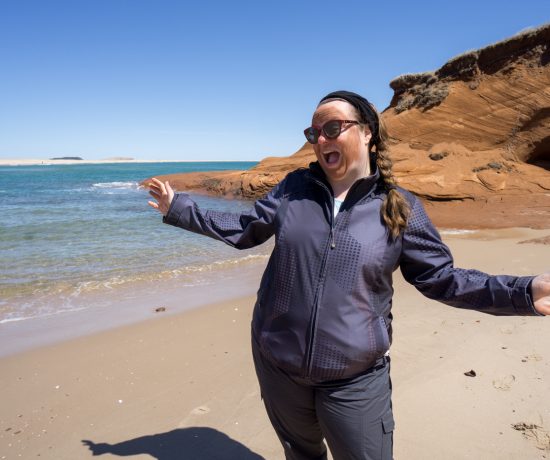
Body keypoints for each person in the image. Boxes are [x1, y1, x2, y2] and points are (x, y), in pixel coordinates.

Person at [147, 90, 549, 460]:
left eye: (333, 128)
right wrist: (179, 208)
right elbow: (244, 228)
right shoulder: (293, 189)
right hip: (278, 365)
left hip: (354, 379)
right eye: (314, 132)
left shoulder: (401, 208)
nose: (321, 140)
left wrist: (524, 292)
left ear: (368, 133)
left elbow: (444, 279)